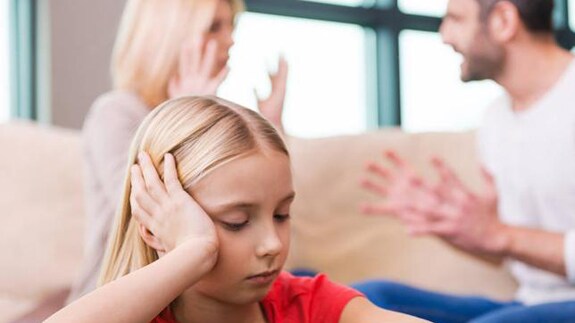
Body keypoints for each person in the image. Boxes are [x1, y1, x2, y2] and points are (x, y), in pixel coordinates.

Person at [45, 96, 425, 323]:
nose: (272, 244)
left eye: (281, 215)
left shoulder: (305, 304)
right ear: (153, 226)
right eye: (236, 222)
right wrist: (194, 251)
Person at [355, 0, 575, 322]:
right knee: (369, 299)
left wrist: (500, 234)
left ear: (503, 20)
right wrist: (454, 224)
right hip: (529, 304)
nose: (444, 35)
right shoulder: (495, 120)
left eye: (456, 19)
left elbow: (504, 236)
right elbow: (506, 251)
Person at [68, 0, 288, 303]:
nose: (231, 38)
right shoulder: (116, 112)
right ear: (170, 36)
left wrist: (273, 129)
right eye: (214, 26)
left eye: (231, 25)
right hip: (121, 296)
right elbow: (148, 210)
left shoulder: (230, 123)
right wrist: (189, 117)